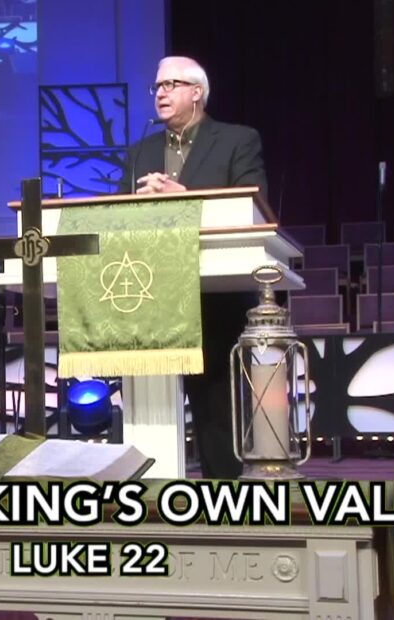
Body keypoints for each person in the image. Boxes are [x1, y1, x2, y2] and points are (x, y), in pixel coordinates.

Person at [119, 56, 268, 480]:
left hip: (215, 296)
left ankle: (224, 497)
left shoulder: (237, 140)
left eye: (171, 84)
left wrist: (185, 197)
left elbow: (251, 202)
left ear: (197, 92)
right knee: (150, 410)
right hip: (151, 294)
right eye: (157, 86)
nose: (161, 93)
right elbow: (116, 215)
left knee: (216, 410)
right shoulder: (141, 151)